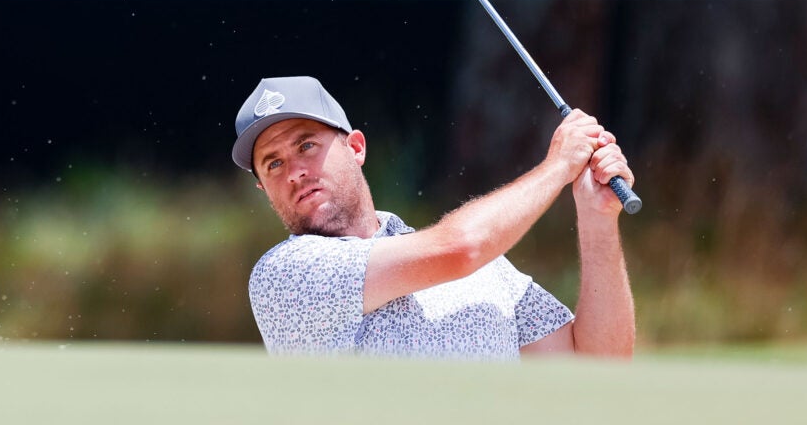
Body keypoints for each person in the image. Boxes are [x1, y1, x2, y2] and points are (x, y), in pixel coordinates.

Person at [233, 76, 635, 360]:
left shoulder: (488, 271)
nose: (295, 171)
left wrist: (598, 218)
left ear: (356, 147)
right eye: (273, 164)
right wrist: (559, 166)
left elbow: (596, 365)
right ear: (262, 188)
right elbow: (461, 248)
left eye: (306, 145)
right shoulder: (284, 275)